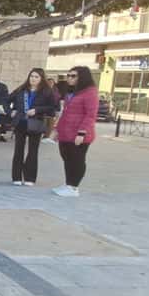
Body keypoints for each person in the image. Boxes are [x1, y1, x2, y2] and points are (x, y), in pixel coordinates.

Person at [7, 68, 59, 186]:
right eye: (31, 76)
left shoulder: (47, 92)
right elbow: (6, 100)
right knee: (18, 150)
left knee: (33, 151)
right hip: (21, 122)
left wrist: (37, 110)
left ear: (41, 79)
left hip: (36, 123)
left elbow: (52, 108)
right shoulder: (21, 89)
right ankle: (16, 177)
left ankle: (30, 178)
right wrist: (11, 111)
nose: (33, 79)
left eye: (36, 77)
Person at [53, 66, 99, 198]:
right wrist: (57, 130)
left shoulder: (90, 93)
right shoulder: (71, 92)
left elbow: (90, 115)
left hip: (79, 133)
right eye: (68, 75)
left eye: (73, 76)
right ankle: (68, 184)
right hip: (66, 132)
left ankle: (74, 187)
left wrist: (82, 133)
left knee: (77, 160)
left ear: (82, 77)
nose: (69, 78)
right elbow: (65, 113)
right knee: (67, 159)